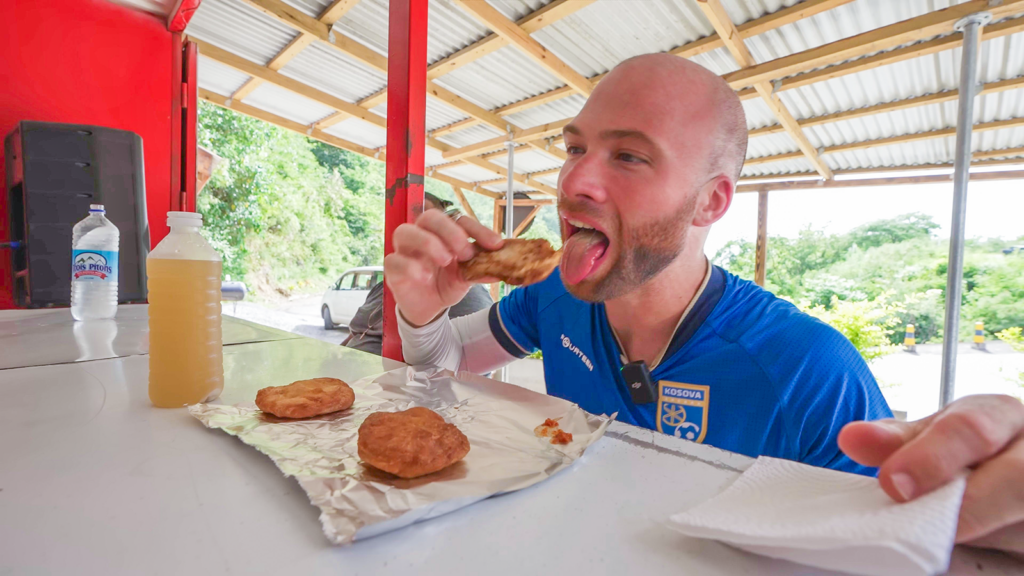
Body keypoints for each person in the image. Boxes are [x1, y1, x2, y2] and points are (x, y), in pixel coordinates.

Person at [385, 54, 1024, 554]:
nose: (574, 181)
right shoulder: (553, 295)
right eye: (575, 148)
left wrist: (985, 503)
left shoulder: (805, 365)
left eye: (629, 156)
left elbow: (901, 537)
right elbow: (446, 366)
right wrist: (421, 308)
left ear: (711, 202)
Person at [343, 193, 492, 355]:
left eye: (426, 218)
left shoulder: (468, 294)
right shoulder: (384, 285)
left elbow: (464, 369)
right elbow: (356, 333)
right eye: (404, 215)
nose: (414, 227)